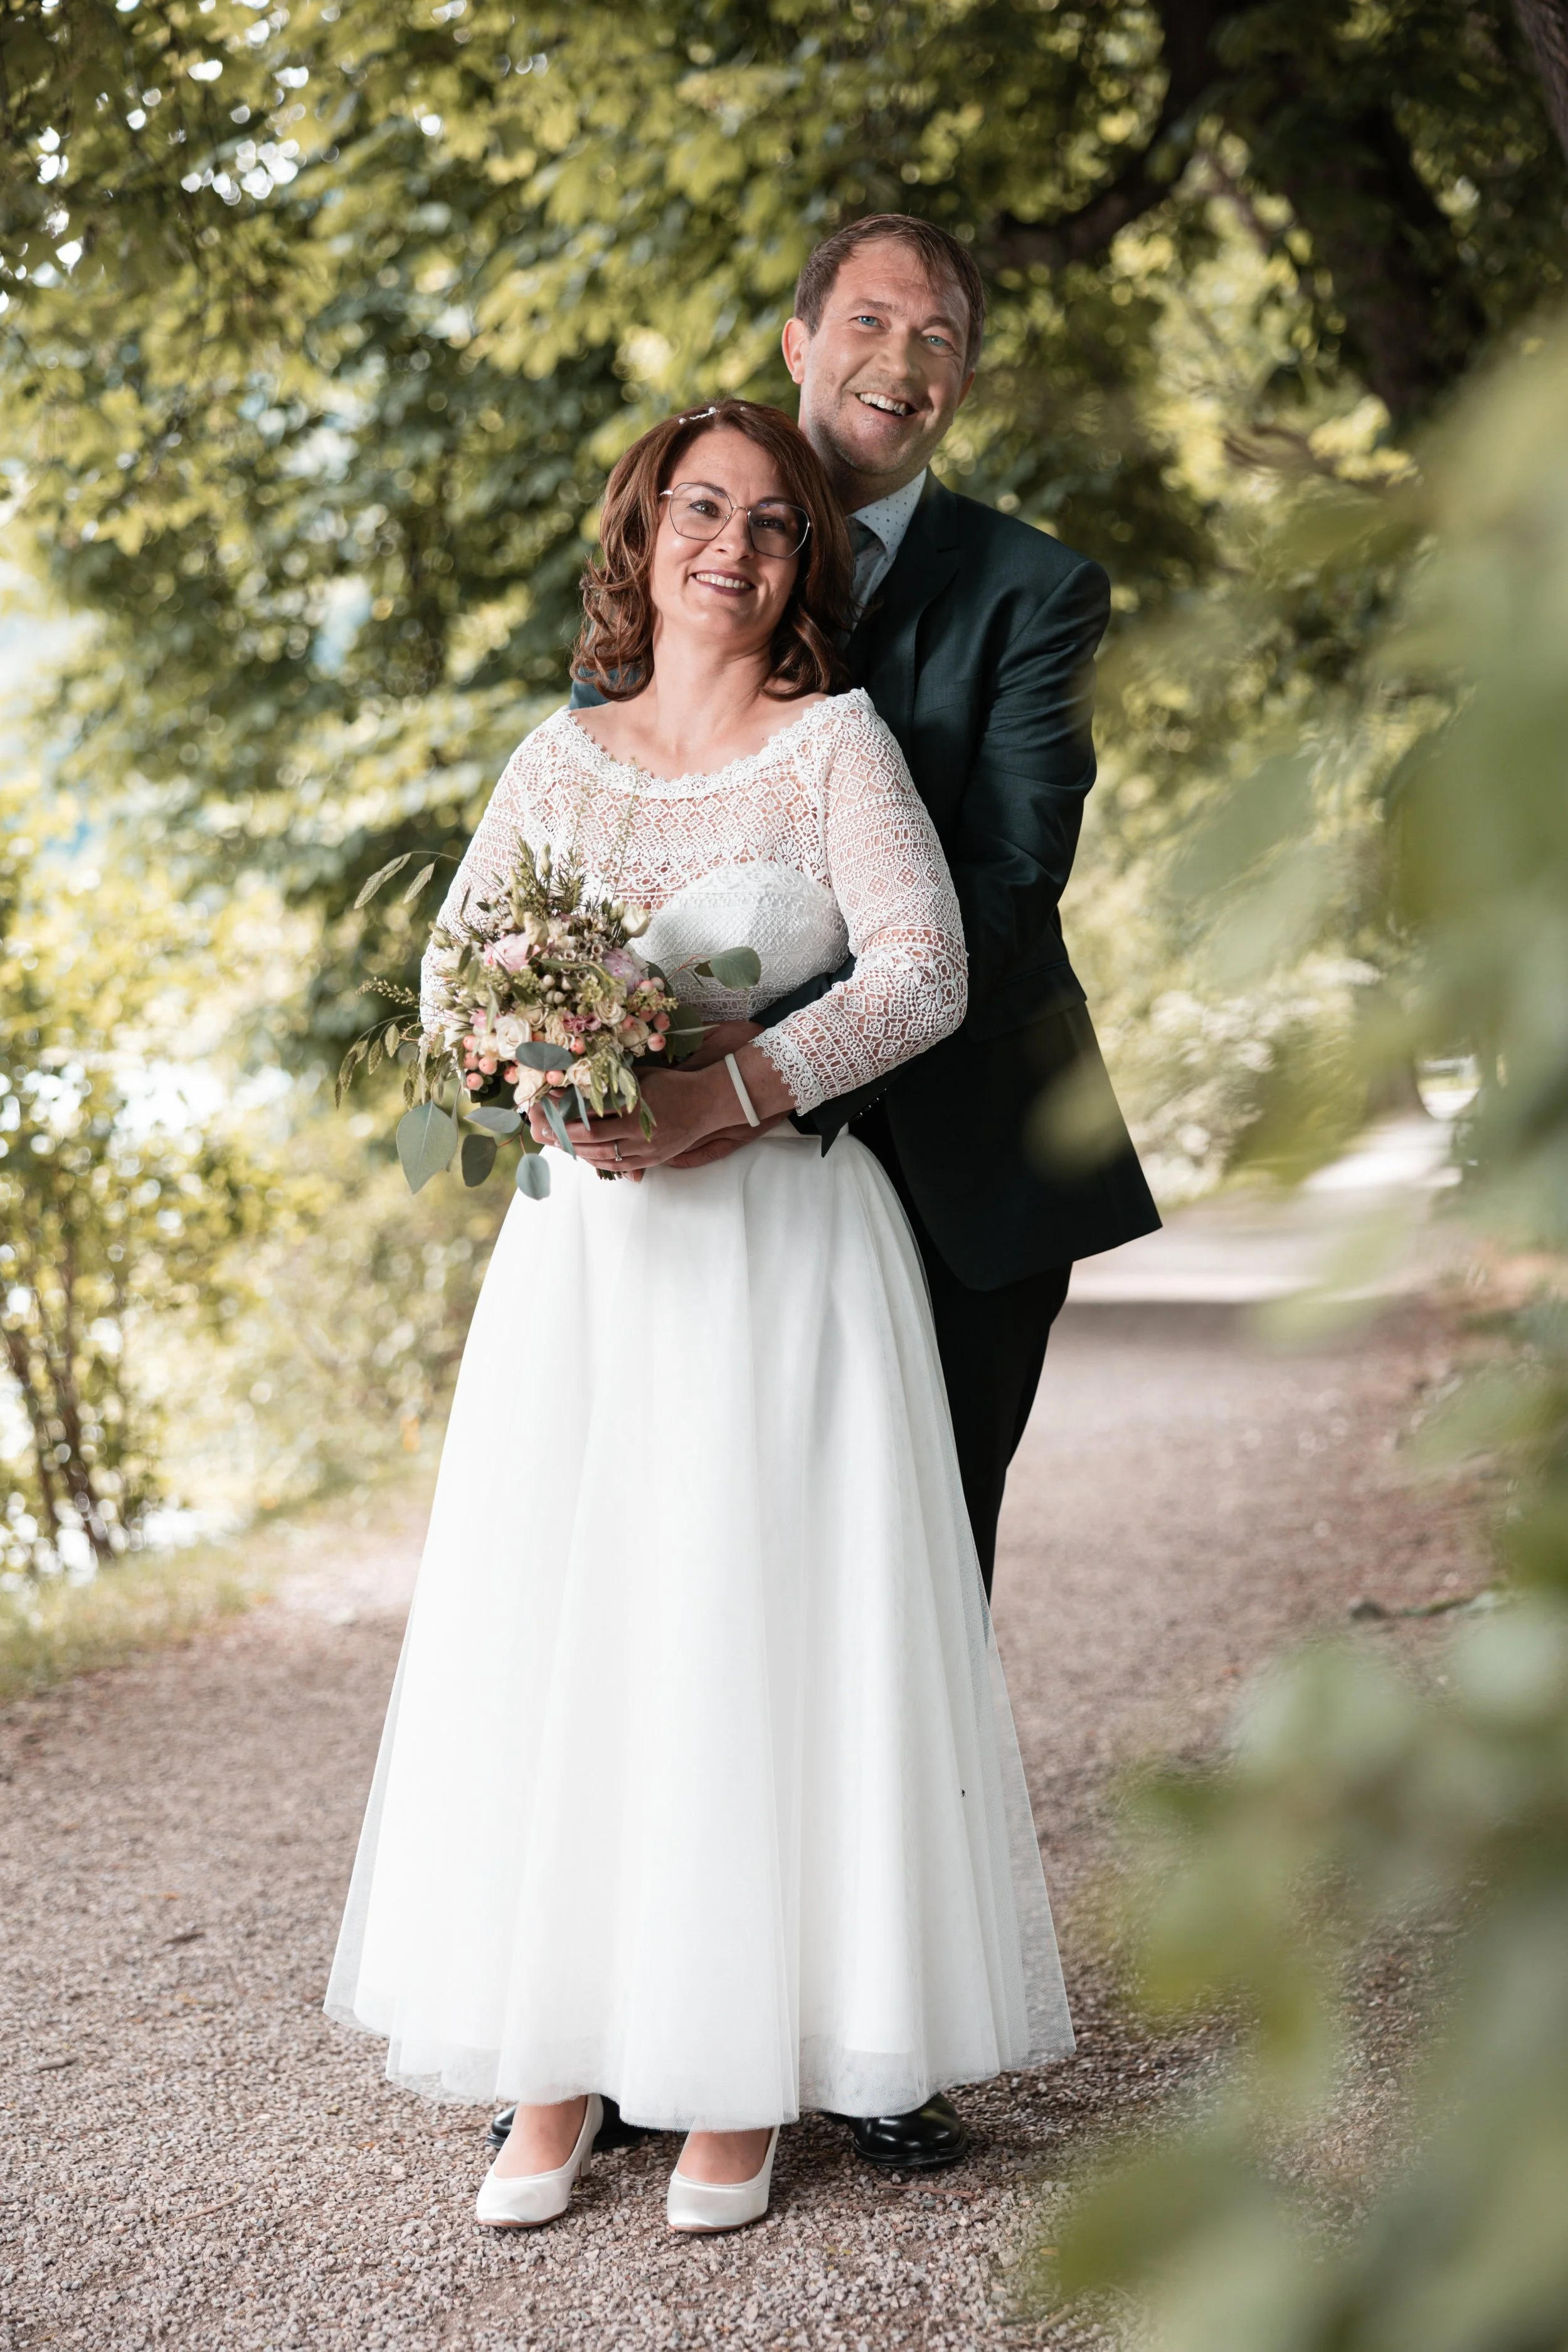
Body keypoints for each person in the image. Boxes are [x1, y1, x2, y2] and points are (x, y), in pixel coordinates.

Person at [327, 399, 1074, 2235]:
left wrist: (725, 1095)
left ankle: (739, 2069)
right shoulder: (554, 758)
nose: (729, 544)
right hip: (587, 1269)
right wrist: (545, 1077)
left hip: (779, 1263)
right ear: (641, 531)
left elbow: (925, 968)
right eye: (697, 508)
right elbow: (455, 981)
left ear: (806, 563)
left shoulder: (835, 745)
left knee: (745, 1629)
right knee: (572, 1626)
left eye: (768, 521)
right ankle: (560, 2058)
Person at [534, 214, 1160, 2180]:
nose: (905, 352)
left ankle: (883, 2026)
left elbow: (1003, 875)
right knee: (658, 1590)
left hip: (956, 1161)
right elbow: (597, 835)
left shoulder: (1033, 589)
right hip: (686, 1205)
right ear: (802, 338)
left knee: (907, 1591)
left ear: (960, 375)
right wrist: (597, 1045)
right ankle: (649, 2011)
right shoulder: (704, 536)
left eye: (943, 333)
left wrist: (738, 1061)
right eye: (870, 316)